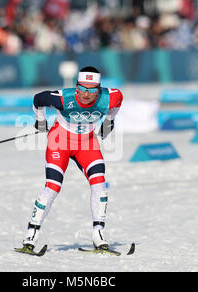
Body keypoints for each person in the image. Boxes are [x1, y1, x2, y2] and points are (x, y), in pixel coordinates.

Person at [20, 66, 123, 252]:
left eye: (92, 89)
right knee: (53, 186)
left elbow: (117, 104)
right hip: (60, 141)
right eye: (83, 88)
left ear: (98, 89)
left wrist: (109, 122)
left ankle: (98, 235)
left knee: (99, 182)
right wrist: (40, 121)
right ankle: (30, 236)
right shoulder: (63, 98)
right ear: (77, 86)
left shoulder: (111, 97)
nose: (86, 94)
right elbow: (38, 99)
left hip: (87, 144)